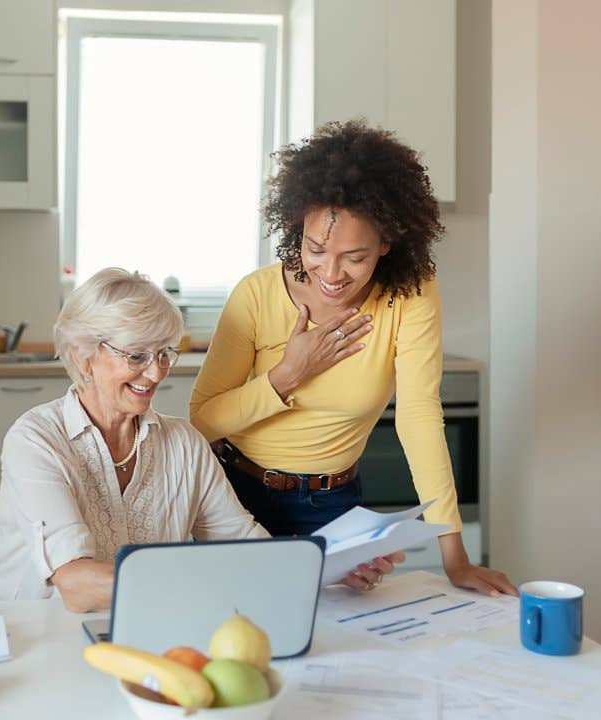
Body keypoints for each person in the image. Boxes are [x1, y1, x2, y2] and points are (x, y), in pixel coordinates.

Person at [190, 120, 517, 597]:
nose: (331, 272)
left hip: (335, 511)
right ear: (296, 225)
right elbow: (200, 420)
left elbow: (419, 417)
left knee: (338, 648)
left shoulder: (410, 294)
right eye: (315, 249)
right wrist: (287, 375)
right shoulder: (257, 295)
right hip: (236, 500)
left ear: (386, 245)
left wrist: (456, 558)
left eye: (355, 257)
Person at [0, 268, 398, 612]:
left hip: (142, 630)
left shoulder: (183, 443)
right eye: (136, 356)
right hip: (32, 637)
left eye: (165, 353)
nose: (155, 374)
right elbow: (76, 585)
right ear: (83, 355)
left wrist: (330, 566)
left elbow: (246, 547)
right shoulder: (37, 440)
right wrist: (199, 579)